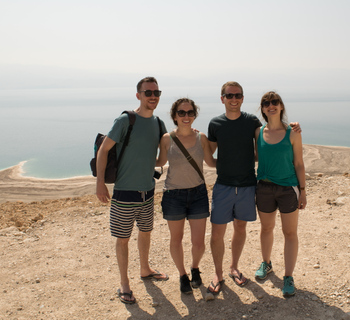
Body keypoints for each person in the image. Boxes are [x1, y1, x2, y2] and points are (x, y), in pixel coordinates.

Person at [206, 81, 301, 295]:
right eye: (229, 95)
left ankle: (234, 268)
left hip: (248, 186)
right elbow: (209, 152)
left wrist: (293, 127)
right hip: (224, 185)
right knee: (217, 234)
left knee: (241, 228)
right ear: (222, 98)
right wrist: (215, 162)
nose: (234, 99)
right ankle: (218, 274)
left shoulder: (251, 122)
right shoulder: (215, 124)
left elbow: (269, 136)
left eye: (237, 95)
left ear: (242, 98)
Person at [95, 76, 169, 305]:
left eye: (157, 92)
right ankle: (124, 283)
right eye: (148, 92)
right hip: (124, 193)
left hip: (148, 191)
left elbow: (159, 161)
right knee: (123, 239)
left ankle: (145, 269)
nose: (153, 96)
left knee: (146, 233)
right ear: (138, 95)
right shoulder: (126, 120)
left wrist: (167, 147)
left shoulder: (158, 124)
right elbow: (104, 151)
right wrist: (100, 183)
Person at [156, 98, 216, 294]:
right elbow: (160, 162)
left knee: (198, 242)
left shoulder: (202, 138)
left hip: (198, 193)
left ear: (194, 115)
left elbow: (211, 163)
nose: (186, 116)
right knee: (176, 238)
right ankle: (182, 275)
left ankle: (195, 268)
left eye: (190, 112)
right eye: (181, 113)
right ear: (175, 116)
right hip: (173, 195)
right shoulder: (166, 139)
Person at [254, 91, 307, 297]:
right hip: (265, 188)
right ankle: (266, 263)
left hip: (288, 189)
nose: (271, 105)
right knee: (266, 228)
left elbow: (299, 163)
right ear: (263, 109)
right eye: (266, 103)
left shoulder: (293, 132)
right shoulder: (258, 132)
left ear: (281, 106)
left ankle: (288, 276)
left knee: (290, 233)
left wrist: (302, 192)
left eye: (275, 102)